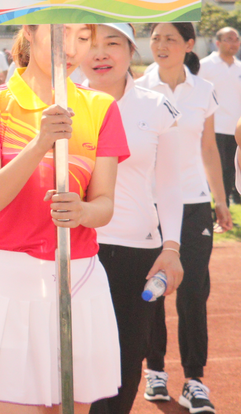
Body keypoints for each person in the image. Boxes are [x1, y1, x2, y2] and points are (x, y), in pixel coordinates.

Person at [0, 23, 129, 413]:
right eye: (62, 34)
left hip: (79, 277)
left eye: (85, 38)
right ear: (30, 32)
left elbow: (104, 203)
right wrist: (40, 143)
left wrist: (82, 211)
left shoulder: (100, 107)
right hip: (11, 279)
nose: (74, 48)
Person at [80, 24, 184, 414]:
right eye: (89, 44)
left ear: (130, 50)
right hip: (75, 250)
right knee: (73, 354)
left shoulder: (156, 107)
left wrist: (171, 247)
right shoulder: (59, 104)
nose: (100, 53)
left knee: (126, 357)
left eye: (112, 44)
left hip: (136, 252)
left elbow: (171, 185)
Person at [136, 22, 232, 413]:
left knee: (193, 292)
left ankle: (194, 380)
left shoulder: (204, 90)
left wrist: (220, 199)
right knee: (150, 293)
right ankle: (155, 372)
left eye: (170, 39)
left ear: (188, 45)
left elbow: (209, 148)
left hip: (193, 205)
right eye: (155, 38)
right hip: (150, 204)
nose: (160, 45)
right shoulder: (138, 87)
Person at [198, 27, 241, 205]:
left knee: (233, 168)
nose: (234, 43)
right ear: (218, 43)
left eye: (236, 39)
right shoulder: (204, 66)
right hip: (214, 127)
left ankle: (228, 203)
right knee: (217, 168)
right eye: (229, 39)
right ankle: (217, 203)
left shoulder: (240, 67)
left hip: (236, 129)